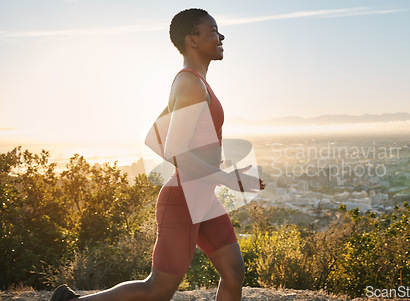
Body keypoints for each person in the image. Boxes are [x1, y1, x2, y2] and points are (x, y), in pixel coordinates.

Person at [51, 8, 264, 301]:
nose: (221, 36)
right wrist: (225, 177)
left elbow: (154, 137)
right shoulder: (189, 83)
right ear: (192, 39)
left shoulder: (193, 82)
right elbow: (175, 150)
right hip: (183, 200)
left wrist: (211, 168)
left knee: (233, 271)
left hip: (202, 197)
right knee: (158, 290)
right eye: (213, 30)